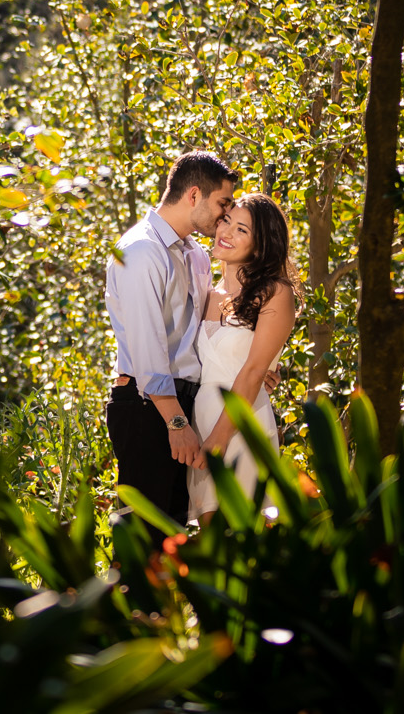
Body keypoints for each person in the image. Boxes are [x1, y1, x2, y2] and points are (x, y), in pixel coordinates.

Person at [104, 152, 238, 531]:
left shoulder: (195, 254)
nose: (225, 216)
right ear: (194, 195)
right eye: (222, 204)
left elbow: (200, 335)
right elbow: (148, 351)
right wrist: (176, 422)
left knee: (175, 535)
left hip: (186, 404)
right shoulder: (141, 252)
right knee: (143, 537)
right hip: (148, 409)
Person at [187, 193, 300, 524]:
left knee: (243, 535)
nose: (226, 233)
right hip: (201, 419)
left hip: (240, 423)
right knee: (209, 540)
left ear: (261, 245)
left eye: (242, 230)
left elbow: (252, 372)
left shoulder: (275, 292)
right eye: (226, 221)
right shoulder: (207, 291)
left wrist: (218, 440)